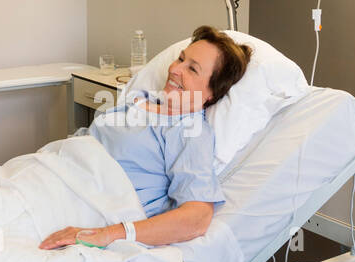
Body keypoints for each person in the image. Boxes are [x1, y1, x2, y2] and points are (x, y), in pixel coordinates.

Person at [39, 26, 251, 250]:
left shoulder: (189, 130)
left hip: (85, 207)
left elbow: (197, 218)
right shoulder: (140, 100)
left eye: (192, 69)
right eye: (180, 59)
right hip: (50, 178)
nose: (176, 69)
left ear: (211, 93)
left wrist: (108, 234)